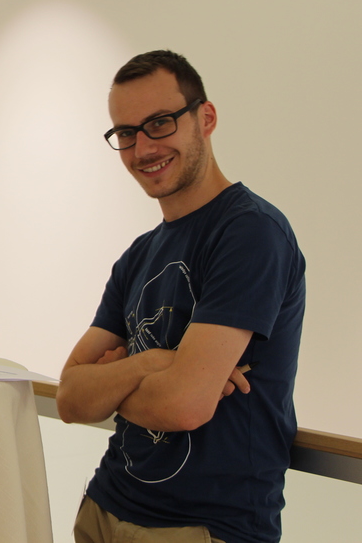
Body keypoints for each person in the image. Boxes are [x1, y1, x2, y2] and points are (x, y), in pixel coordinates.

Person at [56, 50, 305, 543]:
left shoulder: (251, 233)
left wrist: (115, 381)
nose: (143, 147)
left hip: (202, 527)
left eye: (159, 123)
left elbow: (184, 405)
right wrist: (154, 363)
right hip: (104, 507)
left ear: (205, 118)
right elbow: (69, 397)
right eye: (126, 133)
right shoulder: (138, 255)